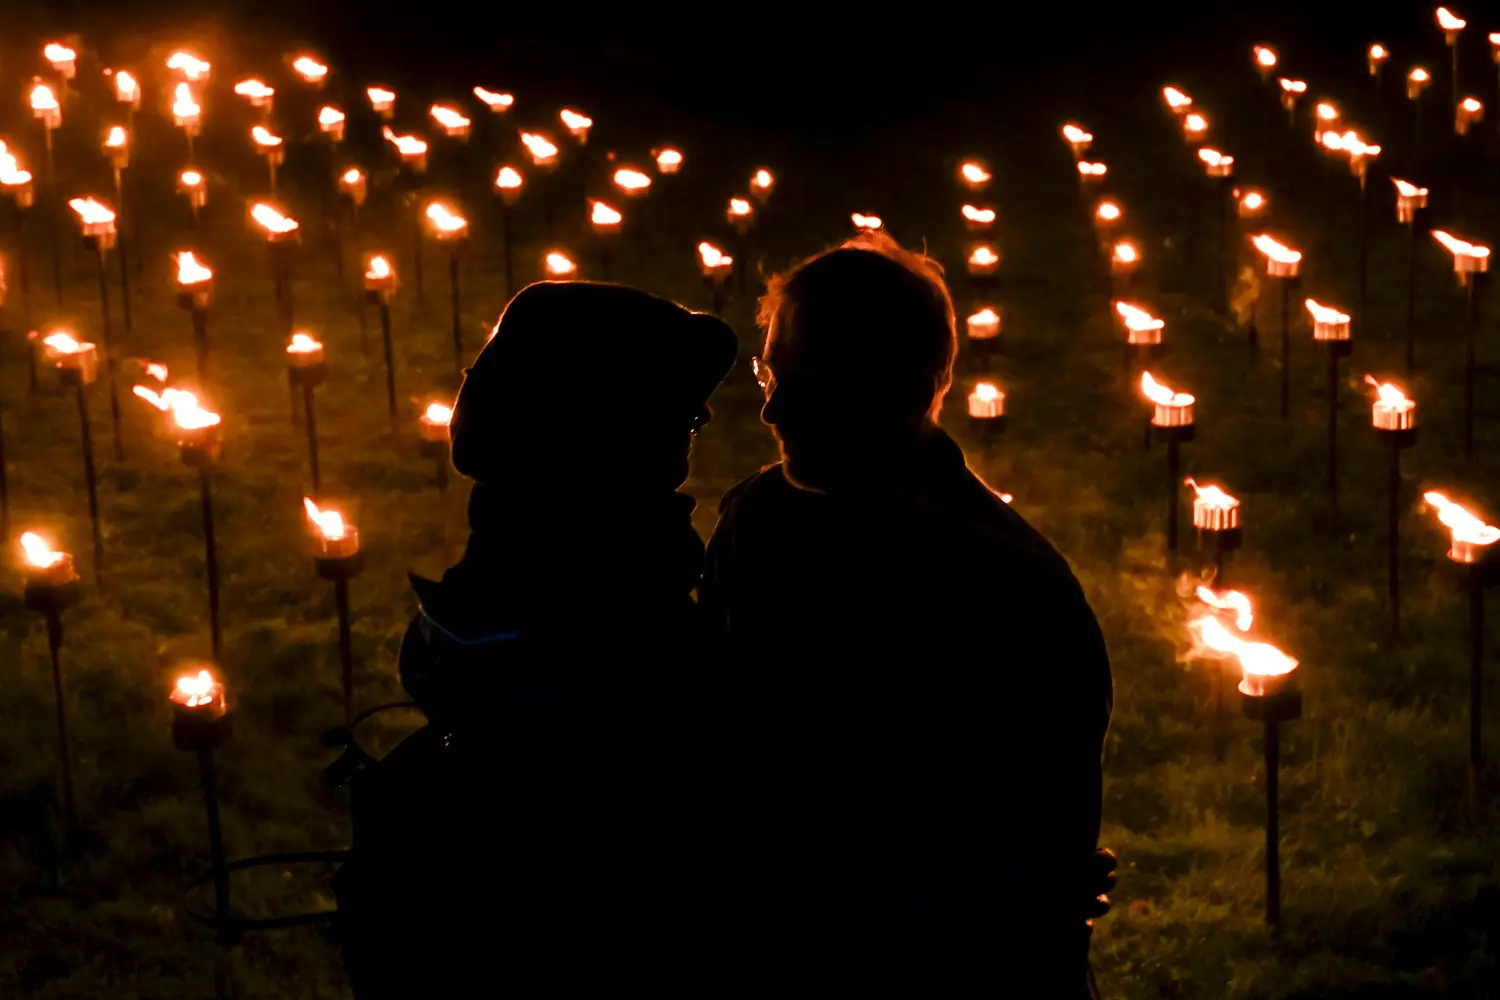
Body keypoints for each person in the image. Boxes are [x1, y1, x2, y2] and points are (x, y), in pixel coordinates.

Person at [701, 232, 1115, 995]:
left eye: (810, 380)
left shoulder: (1010, 592)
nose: (771, 408)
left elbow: (1031, 868)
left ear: (907, 388)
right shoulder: (754, 523)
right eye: (770, 371)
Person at [334, 281, 738, 997]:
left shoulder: (501, 573)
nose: (698, 420)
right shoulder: (631, 636)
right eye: (678, 412)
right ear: (609, 438)